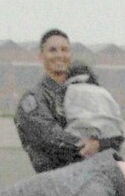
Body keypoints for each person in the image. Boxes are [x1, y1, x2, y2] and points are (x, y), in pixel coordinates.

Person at [15, 27, 100, 172]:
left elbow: (108, 128)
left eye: (64, 50)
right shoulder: (33, 100)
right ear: (41, 56)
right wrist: (89, 145)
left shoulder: (84, 93)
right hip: (55, 183)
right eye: (52, 50)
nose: (59, 55)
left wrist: (102, 143)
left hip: (90, 178)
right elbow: (50, 137)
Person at [64, 61, 125, 158]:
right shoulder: (104, 93)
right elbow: (118, 129)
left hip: (77, 150)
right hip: (108, 146)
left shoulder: (66, 92)